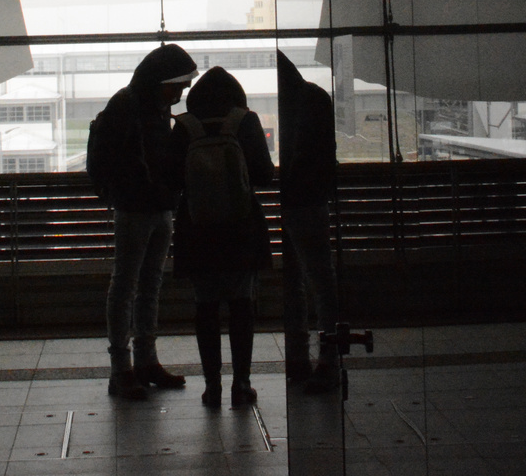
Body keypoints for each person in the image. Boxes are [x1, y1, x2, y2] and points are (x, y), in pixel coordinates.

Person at [93, 43, 197, 399]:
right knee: (130, 285)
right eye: (177, 86)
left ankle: (139, 363)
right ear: (161, 81)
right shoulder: (131, 107)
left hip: (151, 206)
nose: (180, 93)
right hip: (138, 208)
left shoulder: (143, 105)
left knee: (142, 284)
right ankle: (126, 366)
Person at [170, 66, 275, 408]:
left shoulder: (185, 125)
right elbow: (264, 175)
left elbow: (171, 179)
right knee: (242, 305)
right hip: (239, 229)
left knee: (206, 307)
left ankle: (212, 385)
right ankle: (241, 384)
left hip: (197, 231)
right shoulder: (245, 121)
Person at [277, 52, 341, 393]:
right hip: (312, 200)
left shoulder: (296, 103)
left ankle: (304, 358)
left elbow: (299, 155)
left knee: (299, 283)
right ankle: (325, 356)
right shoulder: (315, 98)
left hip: (298, 201)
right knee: (319, 280)